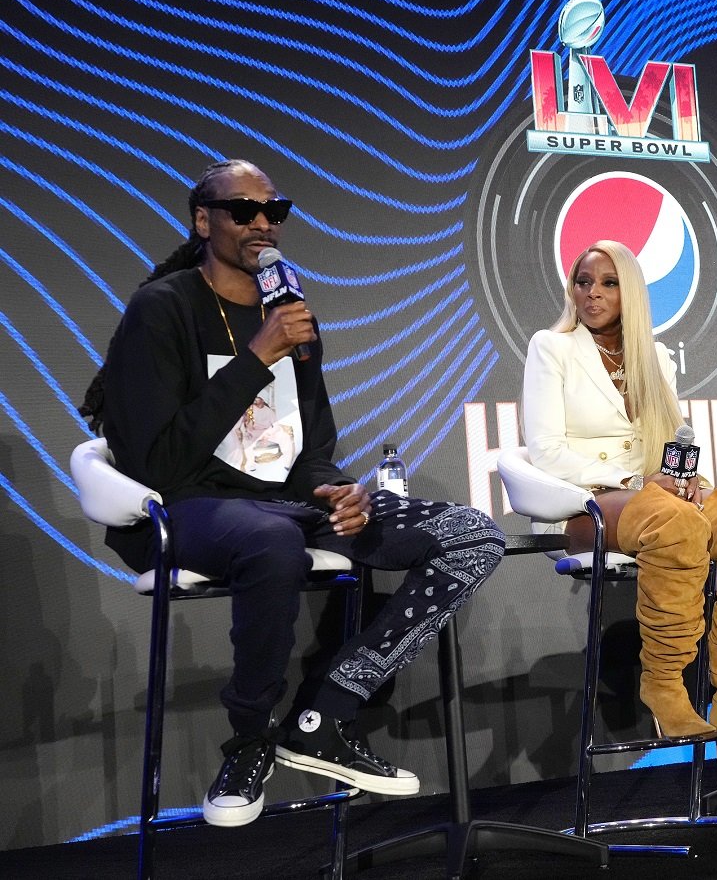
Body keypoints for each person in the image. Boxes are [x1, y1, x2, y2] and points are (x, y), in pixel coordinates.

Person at [78, 159, 505, 828]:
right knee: (271, 540)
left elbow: (308, 451)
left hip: (288, 505)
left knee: (471, 534)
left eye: (273, 211)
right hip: (190, 505)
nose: (261, 224)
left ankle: (322, 712)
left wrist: (336, 490)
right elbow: (156, 458)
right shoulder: (162, 310)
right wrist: (258, 356)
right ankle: (249, 737)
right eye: (242, 210)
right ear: (203, 220)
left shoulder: (292, 316)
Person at [521, 239, 717, 768]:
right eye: (582, 281)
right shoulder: (551, 348)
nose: (591, 293)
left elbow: (671, 439)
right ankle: (665, 686)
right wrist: (637, 479)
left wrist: (683, 477)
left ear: (632, 292)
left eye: (607, 282)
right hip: (585, 502)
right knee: (675, 524)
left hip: (653, 492)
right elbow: (546, 452)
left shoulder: (655, 356)